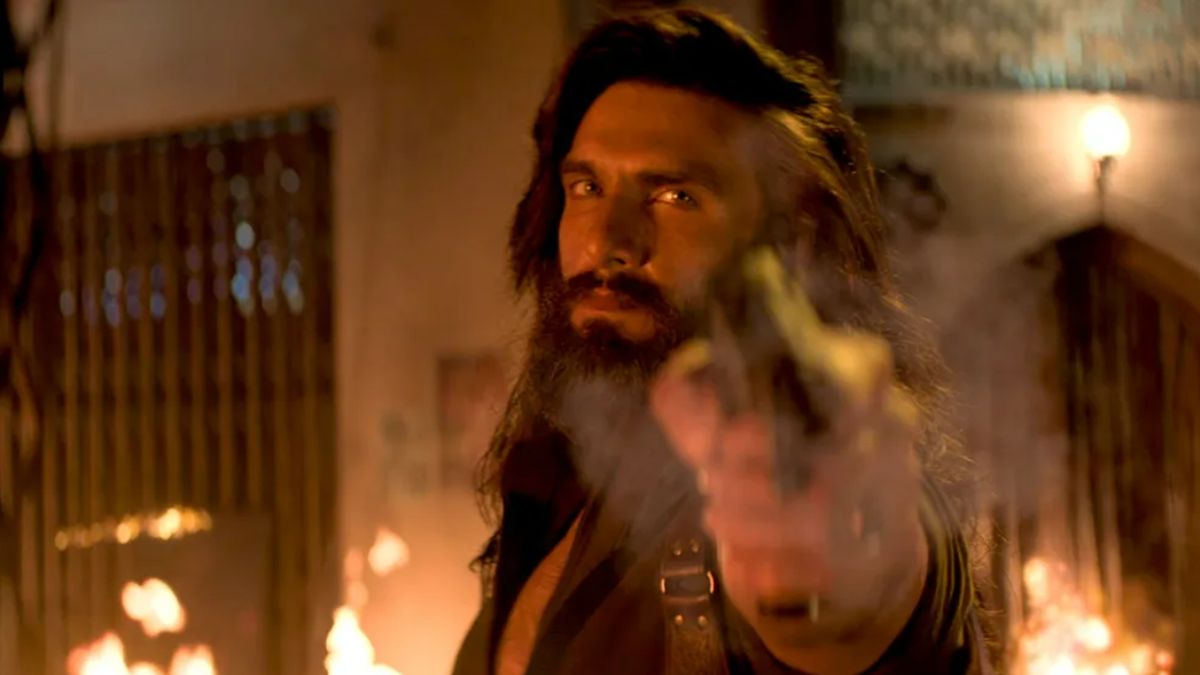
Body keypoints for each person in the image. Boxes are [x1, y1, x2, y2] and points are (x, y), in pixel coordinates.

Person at [451, 8, 993, 675]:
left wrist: (818, 563)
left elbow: (851, 595)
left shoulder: (806, 468)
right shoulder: (554, 485)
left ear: (792, 244)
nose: (608, 241)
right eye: (587, 187)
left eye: (675, 196)